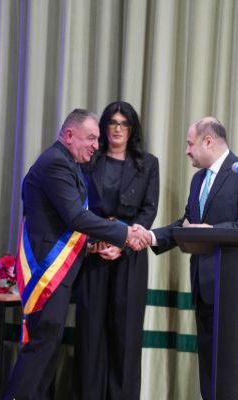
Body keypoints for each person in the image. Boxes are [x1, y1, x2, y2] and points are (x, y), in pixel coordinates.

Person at [2, 109, 150, 400]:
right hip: (47, 272)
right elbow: (76, 217)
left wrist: (92, 243)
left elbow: (65, 222)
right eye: (91, 138)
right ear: (69, 135)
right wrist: (124, 233)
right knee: (40, 350)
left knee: (47, 351)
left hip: (59, 273)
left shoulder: (68, 163)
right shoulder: (55, 163)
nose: (96, 145)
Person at [148, 117, 238, 400]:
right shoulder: (198, 180)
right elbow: (189, 224)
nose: (186, 151)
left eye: (190, 144)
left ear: (208, 141)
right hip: (205, 286)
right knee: (211, 365)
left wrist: (213, 230)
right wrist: (152, 237)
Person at [73, 101, 159, 400]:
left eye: (124, 123)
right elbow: (77, 207)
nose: (118, 129)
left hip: (129, 257)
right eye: (113, 122)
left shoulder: (148, 164)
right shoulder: (88, 161)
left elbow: (148, 210)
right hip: (93, 254)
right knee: (90, 336)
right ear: (104, 126)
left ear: (132, 129)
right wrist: (95, 241)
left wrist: (122, 242)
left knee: (125, 338)